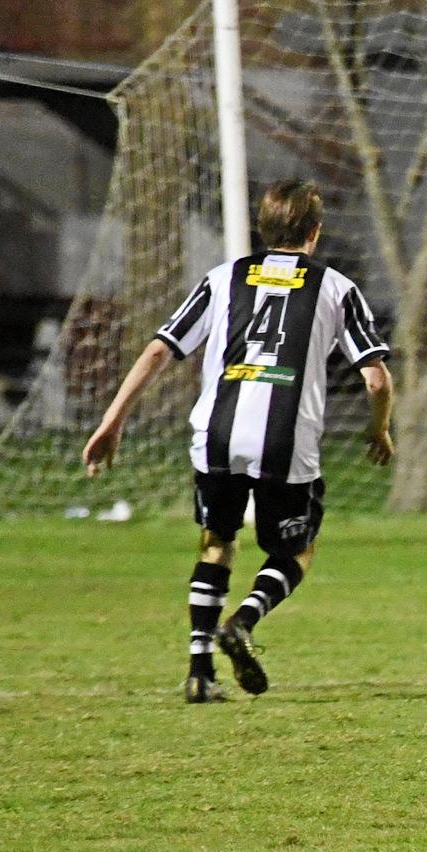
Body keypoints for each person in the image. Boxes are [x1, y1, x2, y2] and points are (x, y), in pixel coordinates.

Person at [81, 179, 394, 701]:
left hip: (217, 434)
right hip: (284, 442)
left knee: (218, 542)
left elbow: (160, 350)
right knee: (298, 549)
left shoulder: (223, 277)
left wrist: (111, 422)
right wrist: (378, 427)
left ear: (262, 229)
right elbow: (377, 378)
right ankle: (243, 621)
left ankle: (200, 671)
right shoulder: (335, 287)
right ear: (315, 233)